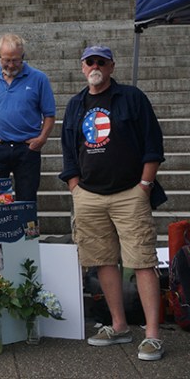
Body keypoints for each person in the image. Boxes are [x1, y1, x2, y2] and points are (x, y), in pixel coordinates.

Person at [60, 46, 165, 361]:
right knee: (103, 260)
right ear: (82, 67)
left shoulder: (131, 98)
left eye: (101, 62)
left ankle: (152, 334)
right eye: (90, 61)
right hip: (89, 195)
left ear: (111, 66)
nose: (95, 66)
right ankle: (119, 326)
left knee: (143, 260)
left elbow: (152, 143)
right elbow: (68, 148)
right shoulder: (76, 104)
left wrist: (145, 185)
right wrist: (75, 187)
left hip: (129, 193)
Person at [0, 33, 56, 203]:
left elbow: (49, 115)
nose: (11, 65)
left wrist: (41, 139)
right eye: (6, 60)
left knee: (27, 201)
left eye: (15, 60)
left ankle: (28, 231)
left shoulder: (39, 79)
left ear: (23, 57)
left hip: (27, 149)